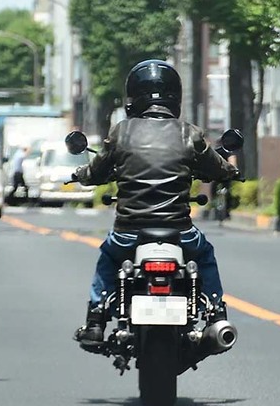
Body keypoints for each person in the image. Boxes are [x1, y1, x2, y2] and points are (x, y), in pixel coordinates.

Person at [71, 59, 239, 347]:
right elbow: (217, 168)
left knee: (108, 258)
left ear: (132, 97)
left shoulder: (121, 132)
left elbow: (96, 170)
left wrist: (80, 174)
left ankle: (96, 320)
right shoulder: (189, 133)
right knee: (205, 255)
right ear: (176, 97)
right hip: (178, 231)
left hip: (129, 231)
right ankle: (216, 316)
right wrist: (230, 170)